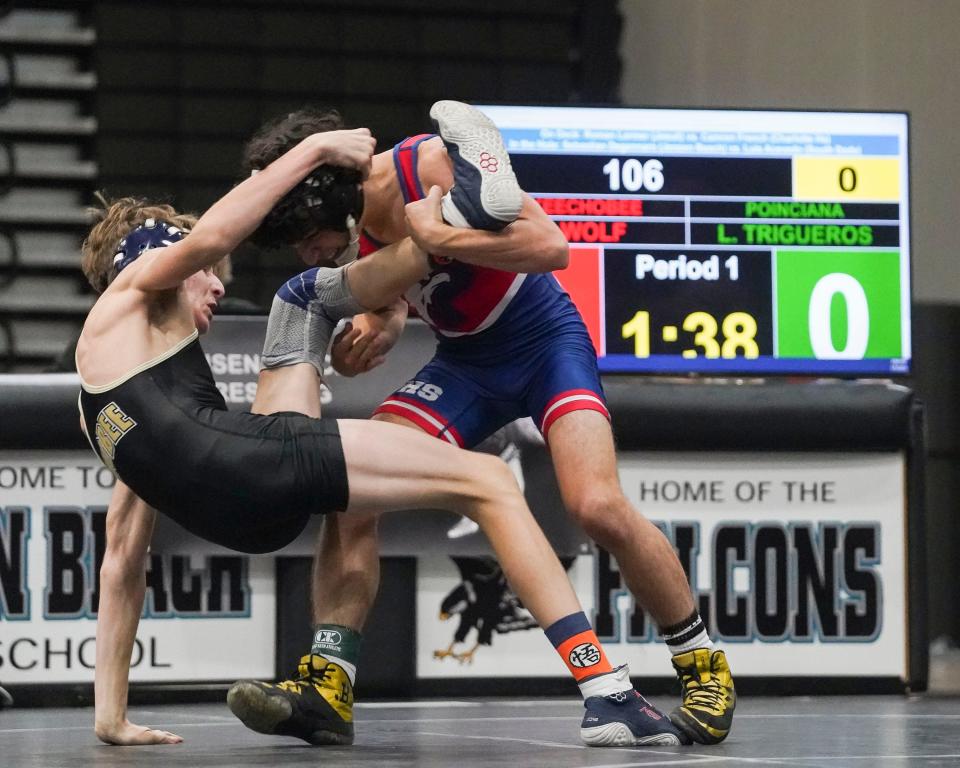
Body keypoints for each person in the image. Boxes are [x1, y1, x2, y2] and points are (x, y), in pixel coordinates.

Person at [76, 128, 686, 748]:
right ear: (160, 259)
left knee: (300, 300)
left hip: (246, 517)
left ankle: (433, 241)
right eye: (205, 275)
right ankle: (607, 691)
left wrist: (110, 717)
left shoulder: (101, 396)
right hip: (260, 466)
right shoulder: (138, 282)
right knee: (491, 481)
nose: (220, 286)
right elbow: (211, 234)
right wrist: (314, 150)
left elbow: (122, 559)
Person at [240, 101, 736, 746]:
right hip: (467, 364)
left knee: (597, 506)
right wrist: (376, 328)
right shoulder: (353, 223)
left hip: (544, 343)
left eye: (309, 237)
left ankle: (702, 663)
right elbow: (393, 300)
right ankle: (329, 683)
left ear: (332, 194)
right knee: (353, 490)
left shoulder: (429, 165)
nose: (309, 254)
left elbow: (550, 246)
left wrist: (439, 238)